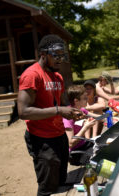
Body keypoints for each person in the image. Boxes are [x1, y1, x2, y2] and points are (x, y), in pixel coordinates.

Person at [17, 34, 83, 196]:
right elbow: (23, 111)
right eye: (56, 55)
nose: (60, 59)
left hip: (59, 136)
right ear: (43, 54)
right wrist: (59, 111)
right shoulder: (32, 75)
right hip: (41, 140)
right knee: (47, 188)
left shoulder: (57, 76)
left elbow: (60, 105)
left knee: (60, 183)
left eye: (62, 55)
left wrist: (71, 113)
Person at [62, 85, 98, 165]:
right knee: (100, 157)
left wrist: (110, 116)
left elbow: (98, 117)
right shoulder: (68, 117)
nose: (87, 99)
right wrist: (85, 127)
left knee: (104, 147)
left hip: (84, 145)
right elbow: (71, 143)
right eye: (85, 98)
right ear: (76, 100)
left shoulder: (81, 110)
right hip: (75, 153)